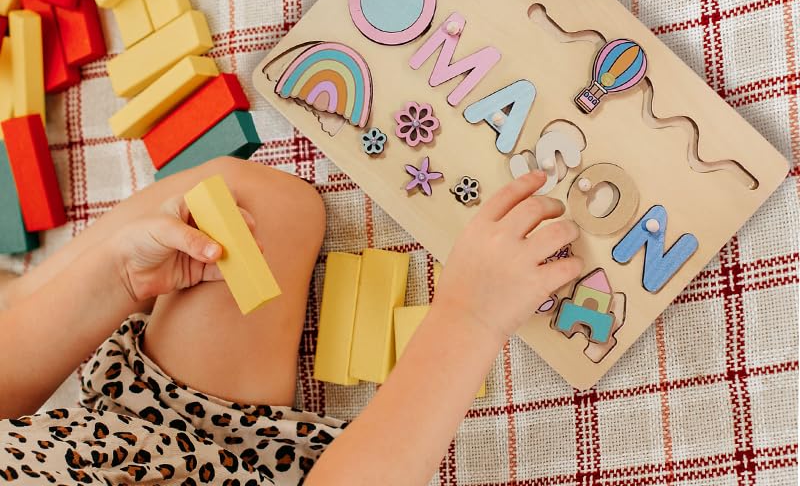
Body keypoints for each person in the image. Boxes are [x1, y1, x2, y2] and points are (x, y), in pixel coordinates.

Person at [0, 157, 580, 484]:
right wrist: (469, 314)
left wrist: (119, 279)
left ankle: (21, 291)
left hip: (128, 433)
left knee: (246, 201)